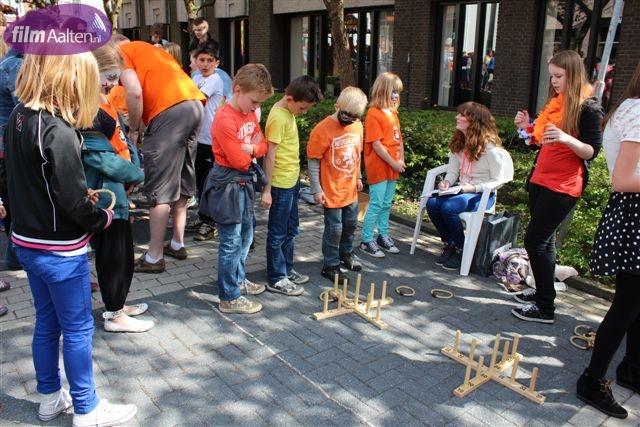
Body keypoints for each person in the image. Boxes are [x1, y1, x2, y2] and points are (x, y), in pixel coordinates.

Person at [0, 53, 136, 426]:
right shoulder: (58, 130)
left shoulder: (19, 115)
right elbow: (74, 201)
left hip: (27, 240)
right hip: (59, 249)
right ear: (69, 80)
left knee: (47, 323)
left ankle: (49, 398)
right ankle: (87, 408)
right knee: (77, 329)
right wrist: (102, 216)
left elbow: (15, 178)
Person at [513, 50, 603, 324]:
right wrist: (527, 128)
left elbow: (591, 151)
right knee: (546, 241)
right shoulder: (557, 102)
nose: (553, 81)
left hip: (564, 185)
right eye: (551, 75)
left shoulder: (588, 108)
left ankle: (545, 308)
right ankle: (544, 292)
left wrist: (566, 138)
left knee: (534, 241)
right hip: (541, 179)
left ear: (573, 75)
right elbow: (541, 141)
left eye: (558, 76)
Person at [575, 61, 640, 419]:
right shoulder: (637, 111)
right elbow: (622, 179)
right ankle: (593, 380)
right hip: (634, 214)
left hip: (632, 213)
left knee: (635, 301)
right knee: (627, 303)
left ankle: (631, 369)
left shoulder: (630, 106)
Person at [115, 35, 205, 274]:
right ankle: (177, 243)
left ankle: (154, 257)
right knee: (182, 179)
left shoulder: (121, 53)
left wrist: (135, 130)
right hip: (194, 105)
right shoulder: (149, 50)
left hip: (169, 112)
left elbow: (134, 92)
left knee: (160, 188)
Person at [83, 43, 153, 333]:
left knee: (123, 253)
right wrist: (135, 173)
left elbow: (123, 138)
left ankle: (119, 304)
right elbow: (101, 158)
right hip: (106, 196)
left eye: (116, 77)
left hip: (119, 188)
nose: (114, 83)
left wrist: (133, 168)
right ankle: (113, 313)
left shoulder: (104, 99)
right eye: (110, 77)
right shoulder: (85, 108)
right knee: (112, 255)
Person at [205, 63, 273, 314]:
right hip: (228, 183)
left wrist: (251, 148)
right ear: (237, 90)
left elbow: (263, 145)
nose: (256, 108)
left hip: (242, 181)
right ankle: (229, 296)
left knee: (246, 234)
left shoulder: (248, 114)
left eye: (259, 104)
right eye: (254, 102)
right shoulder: (225, 118)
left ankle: (238, 278)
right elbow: (238, 160)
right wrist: (251, 151)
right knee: (231, 241)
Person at [427, 102, 513, 271]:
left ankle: (462, 249)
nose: (457, 117)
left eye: (462, 115)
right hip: (461, 190)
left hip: (483, 195)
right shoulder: (459, 143)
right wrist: (447, 182)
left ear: (474, 121)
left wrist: (474, 188)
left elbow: (499, 180)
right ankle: (451, 243)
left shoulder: (490, 149)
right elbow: (452, 172)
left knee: (449, 207)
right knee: (432, 204)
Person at [261, 75, 322, 296]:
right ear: (289, 98)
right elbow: (269, 156)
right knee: (278, 232)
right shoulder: (278, 117)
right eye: (302, 108)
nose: (303, 112)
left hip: (291, 181)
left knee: (291, 228)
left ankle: (286, 269)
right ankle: (277, 278)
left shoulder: (288, 112)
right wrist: (267, 190)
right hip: (280, 184)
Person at [307, 86, 368, 284]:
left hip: (350, 190)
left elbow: (357, 154)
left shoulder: (357, 126)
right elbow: (313, 161)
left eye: (355, 117)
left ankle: (346, 254)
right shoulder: (322, 129)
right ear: (336, 107)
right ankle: (330, 265)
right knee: (334, 229)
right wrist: (316, 189)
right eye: (347, 116)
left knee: (350, 224)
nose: (350, 120)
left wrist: (358, 176)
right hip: (331, 191)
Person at [359, 72, 405, 258]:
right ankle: (366, 239)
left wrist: (400, 160)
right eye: (393, 91)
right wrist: (394, 162)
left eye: (397, 92)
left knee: (386, 204)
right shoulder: (373, 114)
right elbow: (376, 145)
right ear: (382, 91)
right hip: (380, 167)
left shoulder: (393, 114)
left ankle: (382, 236)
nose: (396, 95)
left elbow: (399, 140)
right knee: (376, 204)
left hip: (392, 167)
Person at [191, 46, 224, 241]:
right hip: (197, 137)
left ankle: (210, 223)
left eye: (209, 60)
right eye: (201, 60)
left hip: (210, 140)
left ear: (217, 63)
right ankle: (203, 216)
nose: (205, 64)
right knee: (200, 181)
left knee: (208, 183)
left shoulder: (215, 79)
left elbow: (195, 98)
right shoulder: (196, 78)